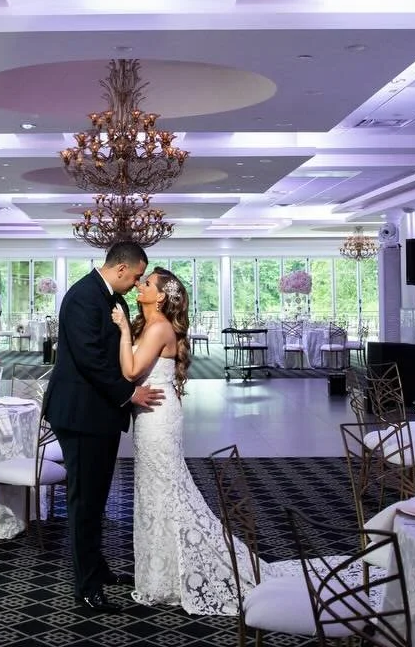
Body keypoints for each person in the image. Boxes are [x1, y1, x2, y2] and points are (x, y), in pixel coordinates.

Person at [114, 268, 285, 615]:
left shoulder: (159, 327)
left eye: (146, 283)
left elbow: (131, 371)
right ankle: (160, 572)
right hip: (150, 415)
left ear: (160, 296)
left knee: (164, 490)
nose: (139, 285)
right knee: (154, 490)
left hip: (158, 417)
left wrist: (119, 330)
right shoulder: (147, 325)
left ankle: (168, 575)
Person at [42, 243, 164, 615]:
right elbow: (91, 358)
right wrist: (130, 393)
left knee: (94, 499)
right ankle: (86, 587)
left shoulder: (110, 296)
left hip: (98, 414)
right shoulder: (83, 297)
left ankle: (97, 568)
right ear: (122, 268)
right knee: (85, 503)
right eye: (138, 275)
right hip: (81, 415)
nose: (138, 282)